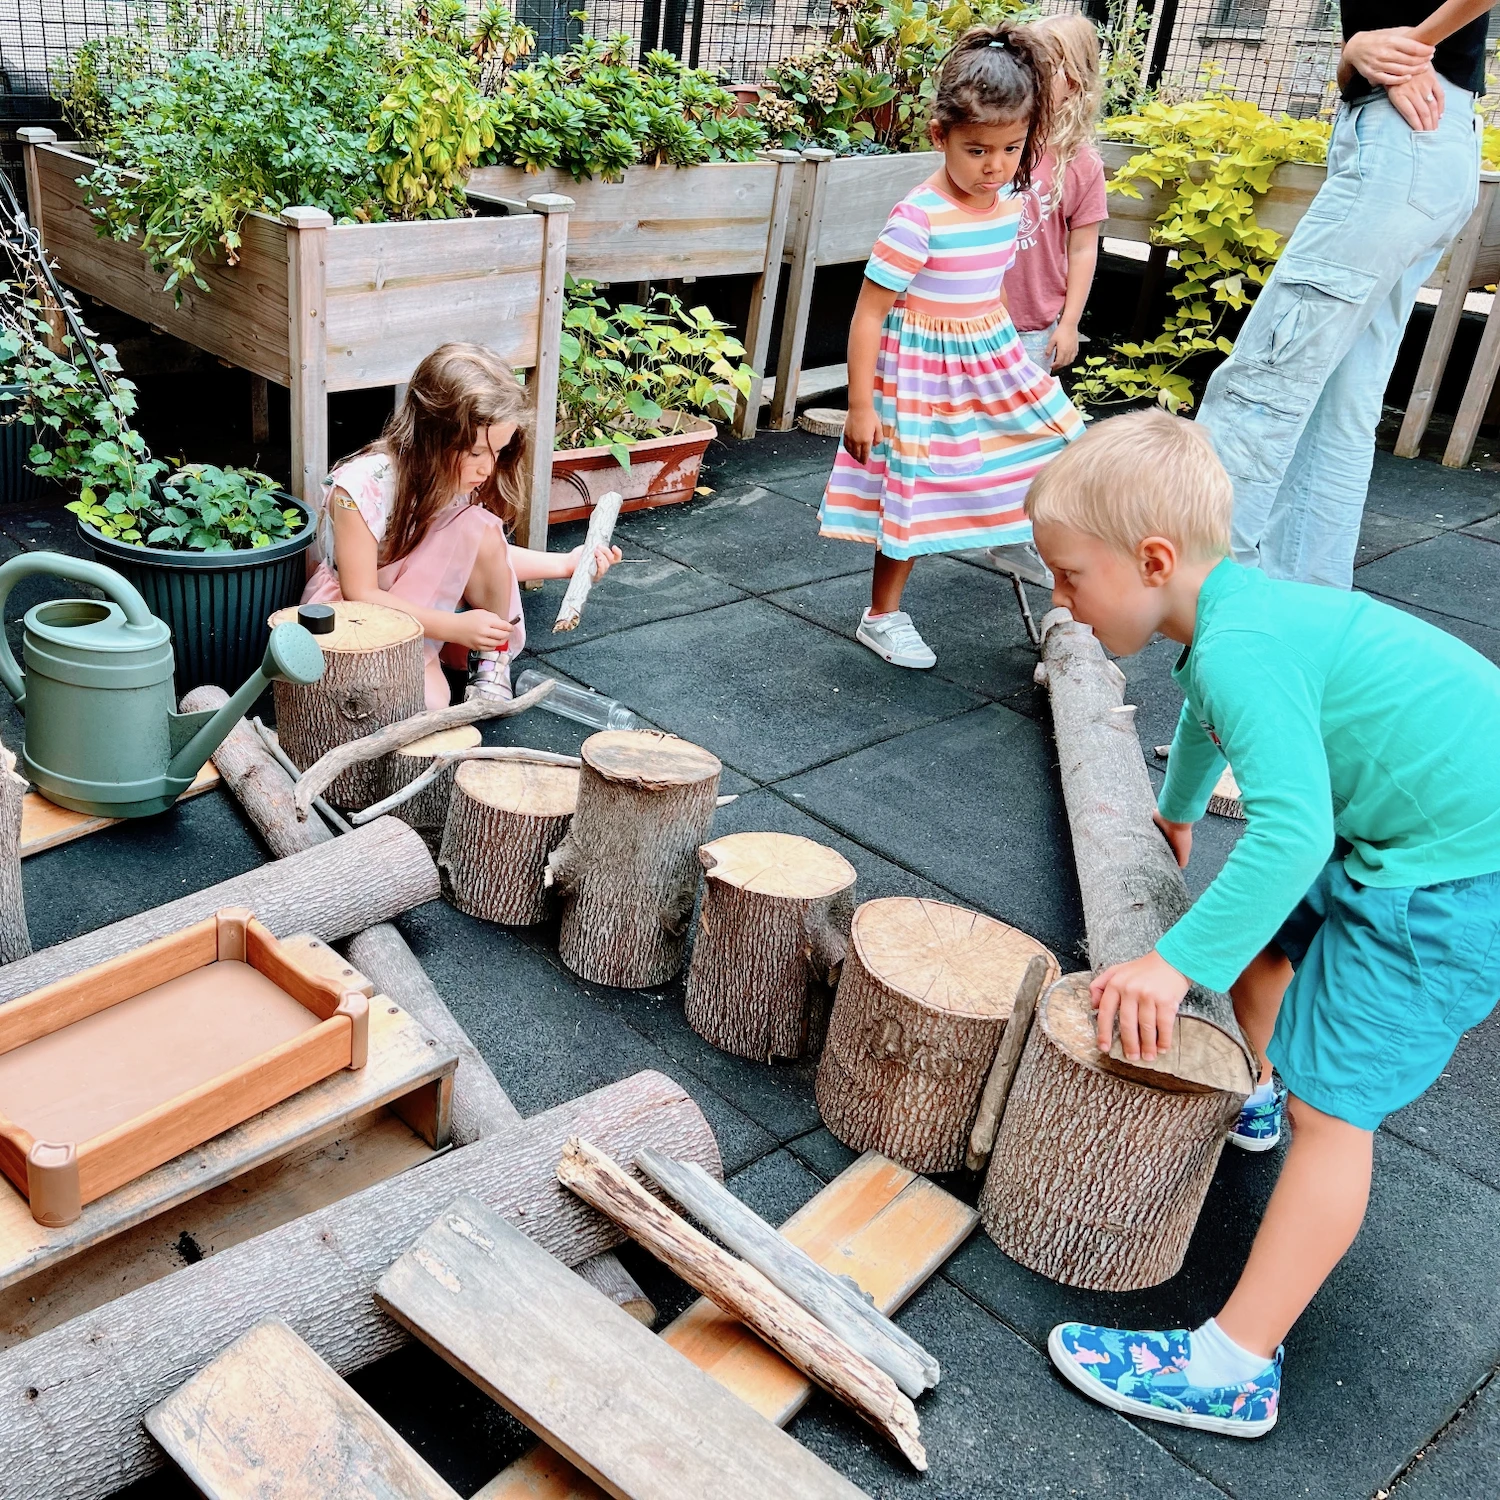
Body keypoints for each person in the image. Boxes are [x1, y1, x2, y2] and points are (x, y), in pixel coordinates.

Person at [1025, 409, 1500, 1437]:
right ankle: (1265, 1092)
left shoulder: (1242, 643)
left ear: (1153, 561)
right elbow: (1205, 714)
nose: (1059, 599)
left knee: (1339, 1119)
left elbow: (1290, 834)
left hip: (1459, 875)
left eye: (1070, 578)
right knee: (1268, 948)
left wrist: (1167, 961)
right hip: (1412, 831)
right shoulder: (1229, 620)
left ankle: (1232, 1366)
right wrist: (1179, 811)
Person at [1195, 0, 1490, 589]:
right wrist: (1356, 54)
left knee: (1262, 386)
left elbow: (1397, 50)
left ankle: (1203, 603)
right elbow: (1370, 46)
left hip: (1403, 139)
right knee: (1338, 407)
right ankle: (1300, 627)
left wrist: (1412, 49)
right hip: (1425, 142)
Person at [818, 22, 1084, 670]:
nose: (995, 165)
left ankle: (1013, 532)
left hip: (987, 352)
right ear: (940, 136)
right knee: (911, 486)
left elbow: (988, 285)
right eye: (977, 150)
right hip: (919, 372)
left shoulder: (1009, 200)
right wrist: (860, 405)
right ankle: (882, 616)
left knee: (1060, 441)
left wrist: (1008, 359)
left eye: (1011, 148)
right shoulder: (918, 218)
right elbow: (867, 314)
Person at [302, 343, 620, 708]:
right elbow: (361, 594)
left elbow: (476, 552)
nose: (487, 469)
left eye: (497, 452)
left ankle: (490, 660)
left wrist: (566, 564)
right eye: (476, 453)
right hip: (364, 617)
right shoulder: (360, 489)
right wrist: (453, 627)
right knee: (431, 705)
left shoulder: (455, 476)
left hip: (428, 602)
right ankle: (431, 652)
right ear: (433, 434)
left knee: (480, 526)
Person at [1007, 14, 1107, 377]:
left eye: (1045, 67)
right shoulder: (999, 139)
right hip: (973, 314)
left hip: (1034, 327)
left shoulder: (1081, 162)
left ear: (1075, 80)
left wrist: (1069, 325)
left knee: (1022, 425)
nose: (1031, 76)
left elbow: (1082, 249)